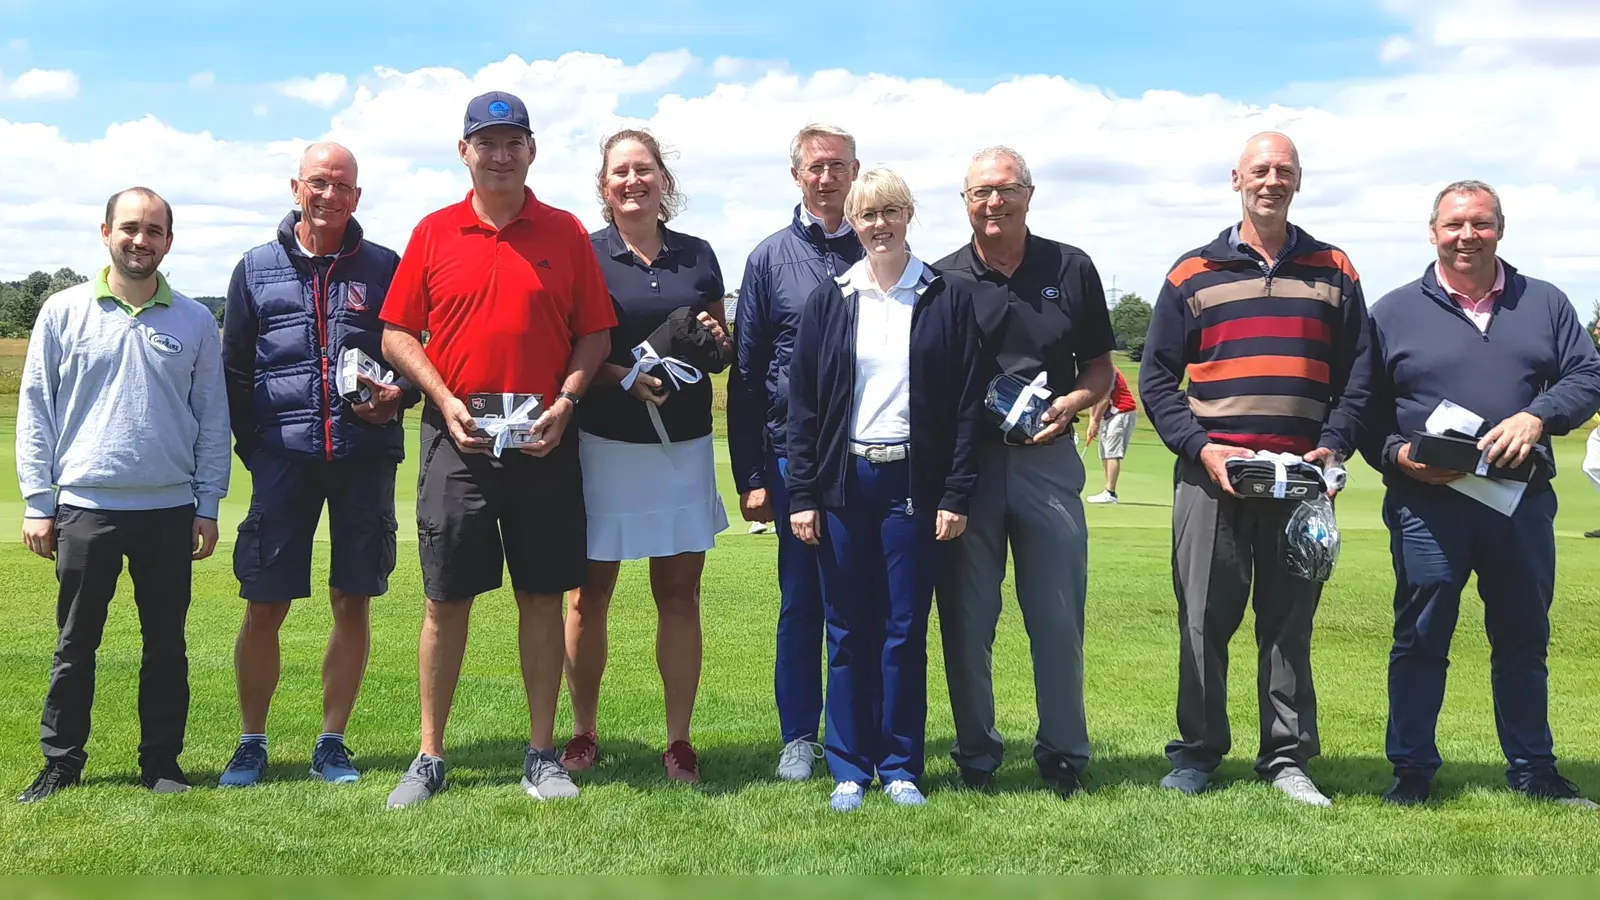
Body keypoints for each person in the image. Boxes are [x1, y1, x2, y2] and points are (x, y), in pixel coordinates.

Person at [378, 91, 616, 808]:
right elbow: (396, 333)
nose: (501, 154)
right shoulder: (433, 231)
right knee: (445, 600)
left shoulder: (567, 232)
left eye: (514, 141)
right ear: (465, 152)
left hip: (542, 443)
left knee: (542, 597)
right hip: (457, 442)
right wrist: (443, 400)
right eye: (488, 141)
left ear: (532, 151)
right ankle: (429, 756)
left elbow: (594, 334)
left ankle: (542, 754)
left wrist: (568, 403)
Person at [1140, 132, 1371, 807]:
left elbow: (1360, 376)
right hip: (1213, 475)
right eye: (1260, 170)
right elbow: (1156, 379)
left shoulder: (1335, 268)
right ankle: (1199, 752)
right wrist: (1200, 448)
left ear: (1298, 181)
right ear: (1236, 178)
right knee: (1203, 619)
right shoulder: (1192, 272)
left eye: (1285, 171)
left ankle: (1287, 757)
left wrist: (1333, 445)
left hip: (1302, 480)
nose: (1272, 180)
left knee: (1289, 621)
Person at [1362, 180, 1600, 808]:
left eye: (1480, 223)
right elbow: (1364, 411)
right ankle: (1412, 771)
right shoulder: (1391, 311)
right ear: (1433, 231)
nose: (1467, 236)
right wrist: (1401, 457)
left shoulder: (1544, 302)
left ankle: (1534, 769)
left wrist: (1538, 416)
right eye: (1453, 225)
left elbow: (1588, 375)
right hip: (1427, 503)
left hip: (1518, 503)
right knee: (1421, 635)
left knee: (1523, 635)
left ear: (1500, 227)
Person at [15, 187, 230, 803]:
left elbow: (212, 420)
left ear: (169, 240)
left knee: (166, 646)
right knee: (75, 645)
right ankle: (62, 763)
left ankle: (161, 762)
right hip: (86, 507)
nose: (141, 240)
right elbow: (37, 412)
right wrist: (38, 500)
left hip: (169, 510)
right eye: (130, 227)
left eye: (154, 230)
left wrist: (209, 502)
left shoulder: (193, 320)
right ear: (106, 231)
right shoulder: (62, 311)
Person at [217, 142, 418, 788]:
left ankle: (332, 742)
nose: (329, 195)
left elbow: (419, 352)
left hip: (364, 459)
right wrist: (259, 451)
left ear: (357, 197)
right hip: (282, 462)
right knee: (264, 603)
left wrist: (404, 397)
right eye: (318, 183)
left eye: (342, 186)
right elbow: (234, 372)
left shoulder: (386, 266)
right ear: (296, 188)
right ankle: (251, 743)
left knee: (350, 600)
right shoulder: (254, 269)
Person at [786, 168, 988, 811]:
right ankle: (849, 764)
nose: (879, 225)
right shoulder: (833, 297)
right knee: (846, 628)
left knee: (904, 628)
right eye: (867, 214)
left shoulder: (944, 297)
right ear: (853, 219)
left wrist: (955, 494)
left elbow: (964, 407)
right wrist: (803, 495)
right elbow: (806, 408)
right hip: (845, 482)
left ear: (909, 216)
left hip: (914, 485)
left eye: (890, 212)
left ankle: (900, 764)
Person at [933, 146, 1115, 798]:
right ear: (965, 201)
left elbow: (1101, 367)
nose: (993, 203)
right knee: (966, 621)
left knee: (1058, 617)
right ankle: (976, 756)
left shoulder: (1070, 267)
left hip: (1048, 459)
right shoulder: (942, 278)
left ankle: (1064, 755)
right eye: (981, 191)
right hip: (969, 471)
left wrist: (1072, 402)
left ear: (1029, 196)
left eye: (1006, 190)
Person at [560, 129, 733, 784]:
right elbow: (567, 344)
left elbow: (720, 348)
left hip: (681, 448)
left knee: (679, 594)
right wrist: (618, 376)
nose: (632, 181)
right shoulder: (584, 254)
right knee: (588, 596)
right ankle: (582, 732)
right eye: (619, 173)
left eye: (644, 170)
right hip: (604, 444)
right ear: (604, 188)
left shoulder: (699, 255)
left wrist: (715, 340)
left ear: (664, 179)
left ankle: (679, 740)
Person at [727, 124, 864, 780]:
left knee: (858, 603)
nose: (827, 178)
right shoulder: (769, 258)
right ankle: (798, 736)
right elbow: (747, 375)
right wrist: (751, 474)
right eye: (815, 167)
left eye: (838, 166)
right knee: (801, 602)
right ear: (797, 176)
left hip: (870, 455)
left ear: (856, 171)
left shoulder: (881, 249)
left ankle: (853, 735)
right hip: (791, 458)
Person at [1085, 367, 1138, 504]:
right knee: (1104, 452)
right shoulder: (1093, 372)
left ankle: (1110, 493)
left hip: (1122, 412)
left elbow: (1104, 398)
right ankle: (1107, 490)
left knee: (1111, 453)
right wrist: (1092, 420)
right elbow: (1094, 397)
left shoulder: (1107, 371)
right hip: (1110, 415)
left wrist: (1096, 421)